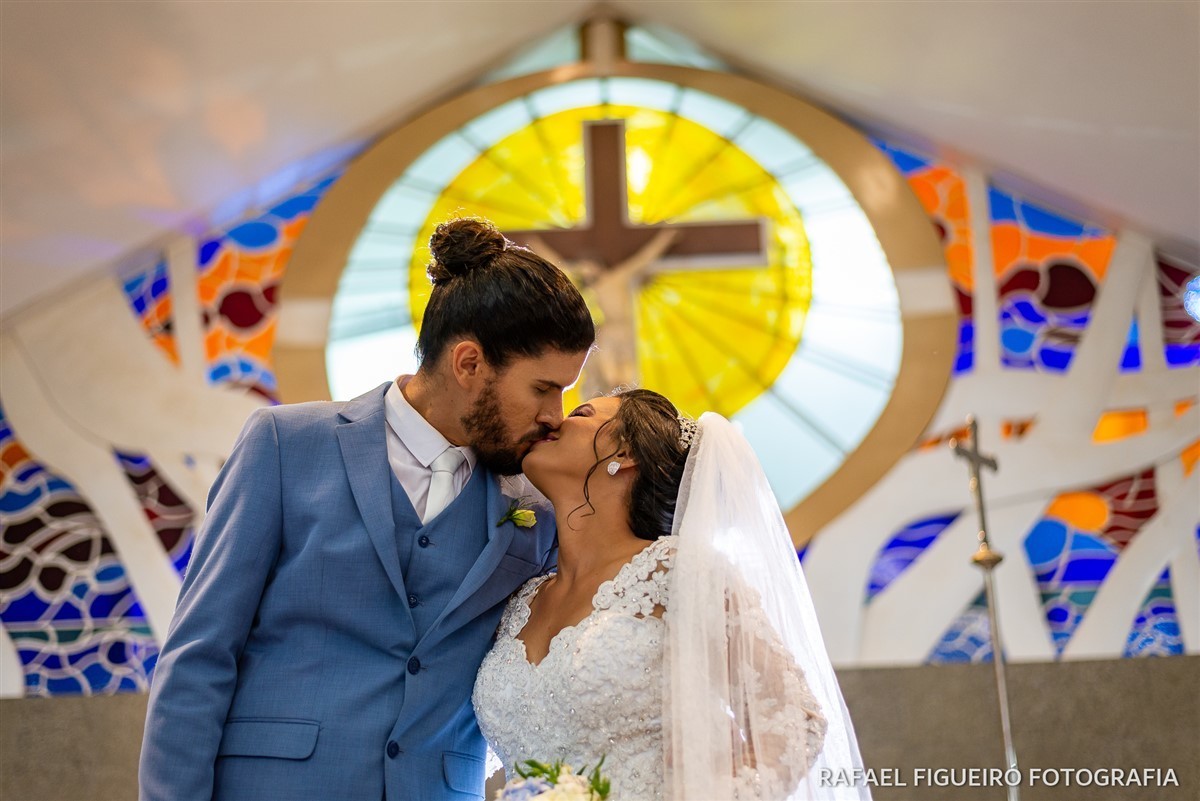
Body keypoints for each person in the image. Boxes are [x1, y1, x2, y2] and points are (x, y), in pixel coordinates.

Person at [140, 217, 595, 801]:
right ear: (468, 364)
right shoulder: (285, 444)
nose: (556, 413)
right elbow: (199, 654)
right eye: (543, 388)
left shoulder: (535, 498)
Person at [473, 389, 871, 801]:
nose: (553, 420)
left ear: (625, 453)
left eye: (582, 413)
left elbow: (795, 717)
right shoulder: (521, 600)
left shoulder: (678, 571)